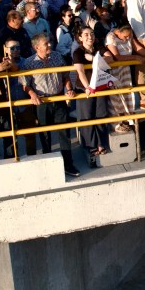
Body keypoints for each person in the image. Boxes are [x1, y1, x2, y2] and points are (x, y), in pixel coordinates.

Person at [19, 33, 80, 177]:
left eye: (49, 42)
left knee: (64, 132)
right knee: (45, 135)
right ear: (36, 47)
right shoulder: (28, 63)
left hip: (58, 98)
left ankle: (68, 164)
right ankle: (49, 165)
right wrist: (32, 94)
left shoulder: (57, 57)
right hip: (42, 102)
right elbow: (24, 84)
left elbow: (65, 76)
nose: (50, 45)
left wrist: (69, 89)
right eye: (46, 44)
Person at [72, 27, 112, 168]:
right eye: (86, 34)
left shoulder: (98, 47)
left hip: (100, 86)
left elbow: (110, 58)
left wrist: (95, 58)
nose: (90, 37)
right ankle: (90, 145)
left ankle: (101, 142)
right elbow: (80, 71)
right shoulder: (78, 52)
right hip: (85, 88)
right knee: (87, 116)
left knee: (101, 114)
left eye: (92, 34)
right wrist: (88, 87)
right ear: (80, 38)